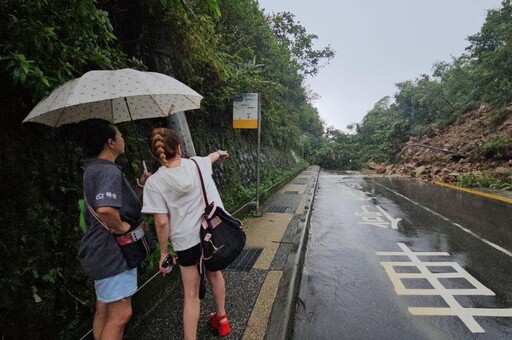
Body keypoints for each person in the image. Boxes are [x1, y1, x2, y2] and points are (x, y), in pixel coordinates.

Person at [141, 127, 231, 339]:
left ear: (156, 154)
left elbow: (161, 223)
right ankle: (223, 321)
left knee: (191, 295)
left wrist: (164, 253)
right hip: (210, 235)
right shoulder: (197, 164)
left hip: (186, 243)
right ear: (180, 148)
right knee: (215, 274)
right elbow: (211, 157)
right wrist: (220, 152)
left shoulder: (154, 182)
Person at [76, 118, 150, 340]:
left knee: (104, 309)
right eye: (119, 135)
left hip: (98, 249)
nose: (123, 139)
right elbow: (106, 210)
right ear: (110, 142)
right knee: (120, 315)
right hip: (113, 252)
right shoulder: (108, 172)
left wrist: (139, 186)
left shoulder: (93, 169)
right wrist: (122, 229)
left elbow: (117, 205)